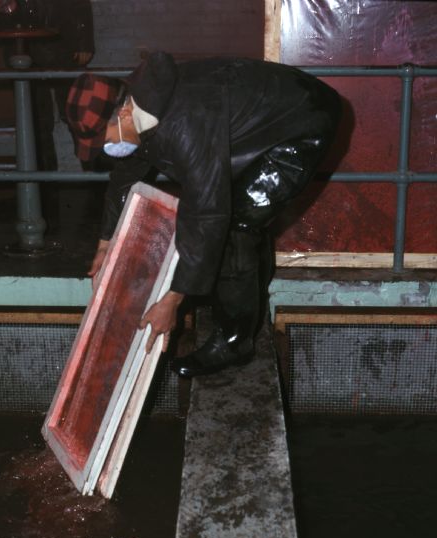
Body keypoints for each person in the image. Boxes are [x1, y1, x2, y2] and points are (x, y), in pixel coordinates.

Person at [65, 52, 342, 379]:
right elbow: (125, 178)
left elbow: (207, 215)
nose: (107, 149)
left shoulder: (185, 125)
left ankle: (234, 343)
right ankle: (248, 294)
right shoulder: (142, 106)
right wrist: (105, 242)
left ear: (123, 112)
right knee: (244, 216)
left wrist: (172, 301)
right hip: (263, 121)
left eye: (105, 140)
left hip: (302, 124)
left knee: (236, 223)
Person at [0, 0, 95, 227]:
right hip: (23, 45)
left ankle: (95, 185)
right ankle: (45, 190)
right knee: (37, 121)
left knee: (77, 118)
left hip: (62, 42)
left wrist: (84, 41)